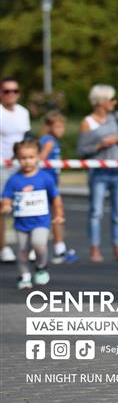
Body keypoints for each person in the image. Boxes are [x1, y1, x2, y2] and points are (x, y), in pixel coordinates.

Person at [77, 84, 118, 263]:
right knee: (96, 212)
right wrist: (99, 145)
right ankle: (95, 249)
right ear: (101, 101)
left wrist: (117, 139)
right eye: (111, 99)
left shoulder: (117, 117)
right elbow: (82, 150)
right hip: (98, 173)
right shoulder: (87, 122)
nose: (114, 102)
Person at [2, 137, 64, 289]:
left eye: (31, 157)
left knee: (39, 244)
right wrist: (6, 206)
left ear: (37, 157)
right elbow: (7, 197)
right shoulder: (14, 180)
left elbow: (55, 197)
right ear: (18, 159)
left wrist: (59, 214)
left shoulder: (45, 178)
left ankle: (41, 266)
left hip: (41, 221)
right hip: (21, 223)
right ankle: (24, 275)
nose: (27, 161)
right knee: (22, 251)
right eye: (23, 158)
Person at [38, 111, 78, 264]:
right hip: (47, 184)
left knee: (55, 214)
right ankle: (57, 249)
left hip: (51, 182)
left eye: (63, 127)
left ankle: (58, 247)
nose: (61, 130)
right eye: (58, 127)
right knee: (55, 214)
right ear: (49, 127)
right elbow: (40, 160)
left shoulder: (51, 140)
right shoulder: (48, 141)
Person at [0, 76, 30, 263]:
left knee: (25, 207)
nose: (11, 94)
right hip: (1, 167)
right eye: (7, 91)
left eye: (14, 91)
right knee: (3, 208)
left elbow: (25, 138)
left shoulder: (23, 112)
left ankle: (26, 246)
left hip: (21, 166)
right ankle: (3, 247)